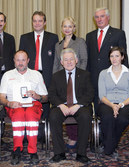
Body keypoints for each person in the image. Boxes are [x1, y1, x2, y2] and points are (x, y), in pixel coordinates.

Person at [0, 50, 48, 165]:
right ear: (14, 61)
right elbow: (1, 98)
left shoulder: (36, 74)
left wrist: (37, 96)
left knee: (30, 115)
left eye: (23, 60)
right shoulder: (7, 75)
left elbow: (45, 98)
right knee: (19, 115)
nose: (20, 63)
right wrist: (9, 103)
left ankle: (32, 150)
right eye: (18, 60)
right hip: (14, 105)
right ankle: (17, 149)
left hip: (33, 105)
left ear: (28, 61)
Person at [48, 48, 94, 164]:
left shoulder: (85, 74)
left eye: (71, 59)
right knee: (53, 116)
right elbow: (52, 94)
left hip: (80, 106)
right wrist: (60, 105)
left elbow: (90, 94)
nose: (69, 62)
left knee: (86, 116)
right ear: (61, 62)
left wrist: (78, 105)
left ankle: (81, 153)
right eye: (66, 60)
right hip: (62, 105)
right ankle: (59, 153)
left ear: (76, 60)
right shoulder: (56, 76)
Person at [53, 16, 88, 149]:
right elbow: (56, 64)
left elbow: (84, 60)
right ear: (62, 29)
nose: (67, 29)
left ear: (74, 28)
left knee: (76, 106)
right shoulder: (58, 45)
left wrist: (77, 76)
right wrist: (54, 80)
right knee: (64, 106)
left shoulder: (80, 42)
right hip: (61, 81)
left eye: (70, 26)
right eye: (65, 26)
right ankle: (70, 136)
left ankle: (74, 137)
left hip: (76, 79)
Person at [86, 7, 129, 112]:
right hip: (94, 77)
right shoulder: (90, 36)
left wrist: (126, 75)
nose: (99, 19)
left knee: (112, 107)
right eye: (96, 17)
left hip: (112, 76)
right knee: (97, 105)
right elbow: (89, 58)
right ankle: (98, 127)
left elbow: (124, 55)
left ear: (108, 17)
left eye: (102, 16)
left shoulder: (118, 34)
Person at [98, 47, 129, 158]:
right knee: (107, 117)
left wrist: (120, 105)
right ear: (109, 58)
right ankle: (111, 147)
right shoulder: (103, 73)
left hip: (126, 104)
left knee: (122, 119)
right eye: (111, 56)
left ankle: (108, 146)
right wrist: (112, 105)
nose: (114, 59)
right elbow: (102, 96)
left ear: (122, 57)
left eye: (117, 56)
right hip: (107, 103)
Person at [19, 11, 59, 120]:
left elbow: (56, 58)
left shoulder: (53, 37)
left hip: (47, 75)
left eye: (40, 21)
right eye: (35, 21)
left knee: (45, 100)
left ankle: (44, 130)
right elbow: (21, 58)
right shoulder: (24, 38)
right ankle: (30, 126)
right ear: (32, 22)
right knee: (29, 101)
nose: (37, 23)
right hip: (29, 75)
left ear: (45, 22)